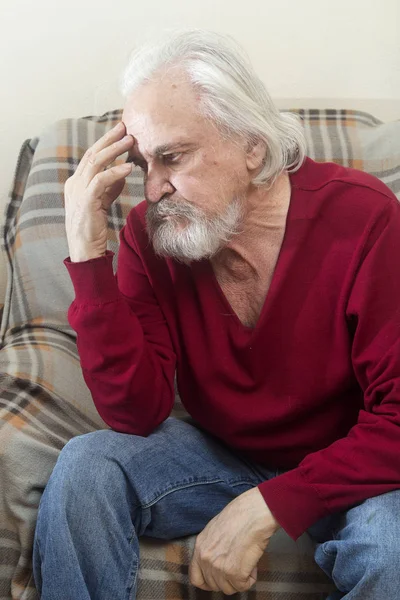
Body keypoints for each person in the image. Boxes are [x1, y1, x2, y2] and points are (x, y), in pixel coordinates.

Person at [33, 30, 400, 600]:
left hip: (350, 464)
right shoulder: (148, 238)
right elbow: (136, 411)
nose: (152, 189)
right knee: (88, 464)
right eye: (141, 163)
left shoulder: (365, 219)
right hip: (222, 454)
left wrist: (268, 506)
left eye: (172, 157)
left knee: (394, 545)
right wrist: (87, 252)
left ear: (252, 146)